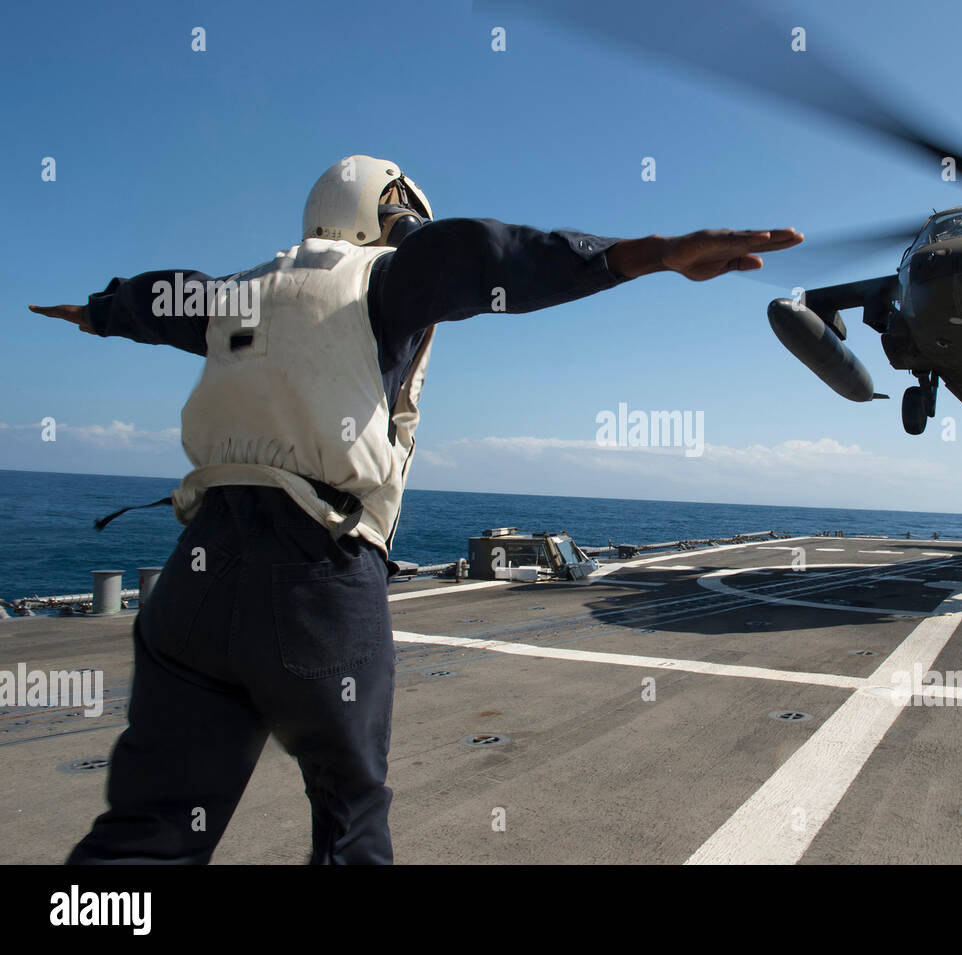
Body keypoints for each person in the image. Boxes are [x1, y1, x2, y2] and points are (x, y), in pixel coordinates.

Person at [29, 154, 802, 864]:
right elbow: (489, 257)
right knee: (351, 820)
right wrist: (653, 253)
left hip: (193, 581)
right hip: (317, 580)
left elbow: (156, 297)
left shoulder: (238, 293)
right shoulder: (385, 278)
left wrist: (94, 311)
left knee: (150, 827)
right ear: (386, 214)